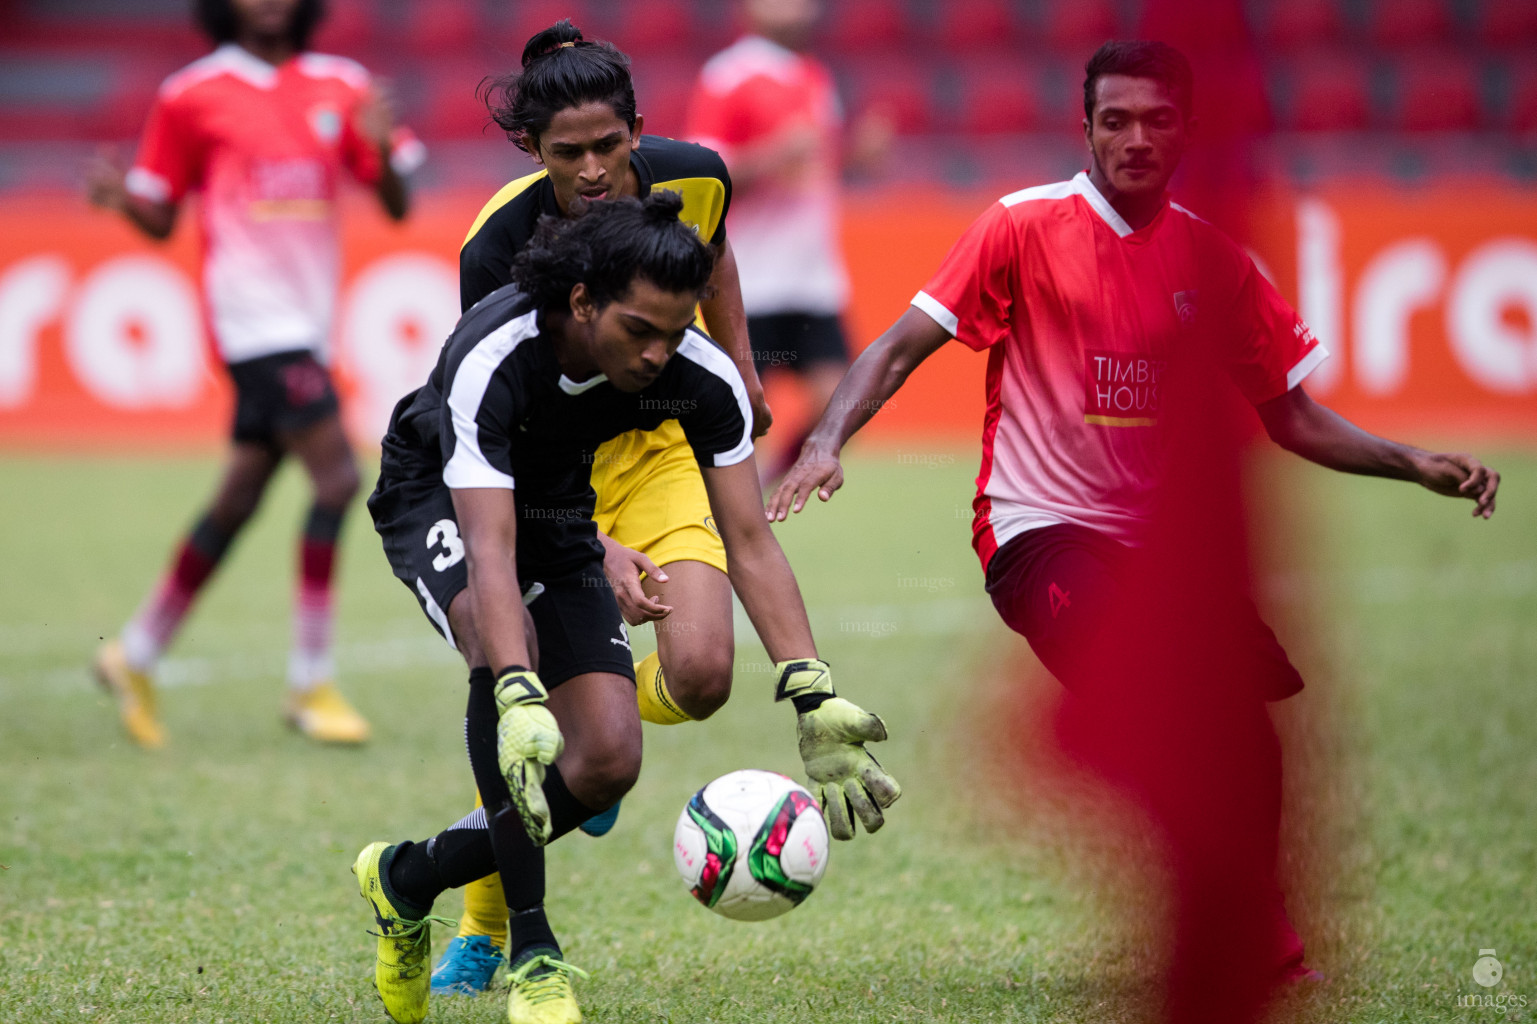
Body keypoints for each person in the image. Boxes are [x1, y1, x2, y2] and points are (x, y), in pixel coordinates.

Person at [767, 39, 1499, 985]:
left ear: (1187, 130)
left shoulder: (1214, 260)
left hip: (1160, 552)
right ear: (1085, 128)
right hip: (1035, 533)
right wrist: (826, 439)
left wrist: (1412, 462)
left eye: (1157, 120)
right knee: (1153, 695)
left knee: (1245, 716)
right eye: (1115, 120)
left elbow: (1291, 417)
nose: (1136, 139)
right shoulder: (1021, 226)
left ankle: (1253, 913)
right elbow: (901, 346)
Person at [354, 191, 900, 1024]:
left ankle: (405, 878)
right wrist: (514, 688)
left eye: (675, 332)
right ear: (582, 302)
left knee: (607, 756)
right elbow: (492, 549)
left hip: (557, 502)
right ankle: (534, 953)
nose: (656, 354)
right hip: (438, 492)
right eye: (638, 331)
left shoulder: (697, 377)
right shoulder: (495, 352)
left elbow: (748, 541)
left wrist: (812, 690)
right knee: (494, 636)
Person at [436, 20, 773, 993]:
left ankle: (600, 745)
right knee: (520, 685)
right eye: (566, 153)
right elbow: (493, 415)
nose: (591, 170)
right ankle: (479, 924)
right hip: (545, 474)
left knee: (704, 673)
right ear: (533, 153)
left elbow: (710, 259)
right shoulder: (497, 242)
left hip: (656, 442)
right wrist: (595, 544)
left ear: (636, 129)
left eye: (607, 145)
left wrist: (741, 367)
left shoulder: (698, 175)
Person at [87, 0, 423, 747]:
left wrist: (380, 152)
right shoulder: (191, 93)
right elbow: (161, 213)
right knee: (337, 480)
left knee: (241, 494)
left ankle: (135, 652)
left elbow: (398, 205)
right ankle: (311, 682)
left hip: (305, 323)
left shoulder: (343, 85)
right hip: (249, 322)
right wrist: (123, 202)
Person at [686, 0, 889, 482]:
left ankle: (768, 482)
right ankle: (725, 509)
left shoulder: (815, 75)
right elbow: (705, 174)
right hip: (751, 277)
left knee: (841, 399)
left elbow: (818, 165)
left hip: (812, 276)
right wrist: (775, 155)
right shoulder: (727, 77)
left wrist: (858, 155)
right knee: (740, 408)